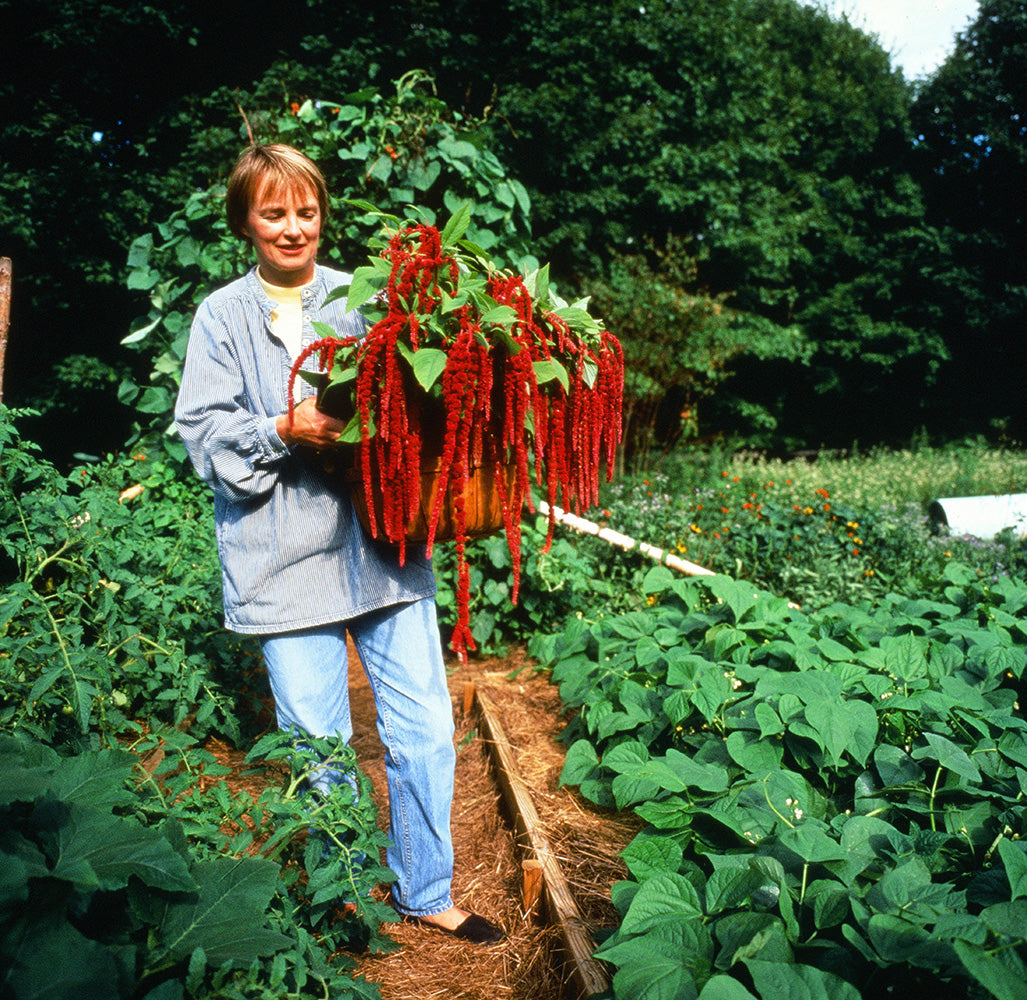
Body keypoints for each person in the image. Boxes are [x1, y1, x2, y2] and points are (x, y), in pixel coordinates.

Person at [174, 142, 503, 945]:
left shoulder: (364, 297)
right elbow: (203, 431)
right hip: (281, 556)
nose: (293, 229)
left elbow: (424, 385)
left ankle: (425, 891)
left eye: (306, 211)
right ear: (245, 222)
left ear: (322, 215)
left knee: (423, 726)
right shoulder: (222, 316)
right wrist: (283, 427)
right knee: (319, 746)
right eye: (273, 212)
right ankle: (345, 892)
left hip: (380, 546)